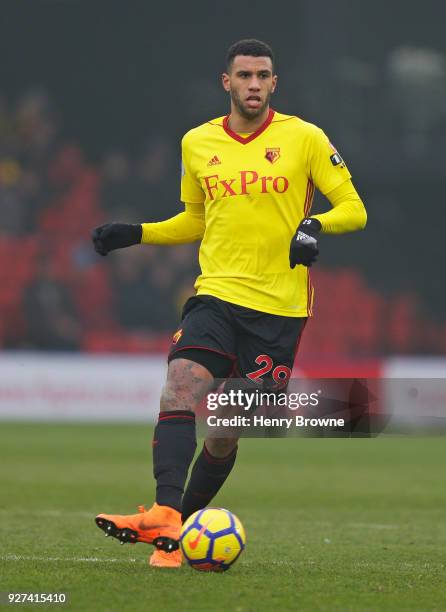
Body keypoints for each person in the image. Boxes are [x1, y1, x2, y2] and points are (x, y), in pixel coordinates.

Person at [91, 39, 367, 568]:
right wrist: (137, 233)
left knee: (223, 429)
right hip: (216, 293)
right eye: (245, 76)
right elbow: (195, 219)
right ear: (227, 83)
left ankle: (173, 535)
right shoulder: (197, 142)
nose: (255, 85)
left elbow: (354, 208)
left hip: (280, 310)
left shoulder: (304, 137)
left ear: (275, 83)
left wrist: (315, 224)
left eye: (264, 75)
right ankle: (165, 516)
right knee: (182, 385)